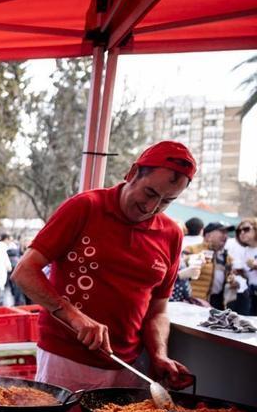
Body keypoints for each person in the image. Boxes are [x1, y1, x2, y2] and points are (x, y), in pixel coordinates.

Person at [11, 141, 197, 392]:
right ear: (132, 173)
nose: (151, 208)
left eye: (166, 201)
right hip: (66, 359)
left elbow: (158, 311)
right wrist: (74, 316)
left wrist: (159, 354)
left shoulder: (172, 234)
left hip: (130, 366)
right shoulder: (85, 207)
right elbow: (24, 272)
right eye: (150, 193)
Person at [181, 222, 242, 310]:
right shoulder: (192, 249)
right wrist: (196, 258)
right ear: (208, 235)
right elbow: (181, 265)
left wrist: (233, 281)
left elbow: (229, 277)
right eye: (222, 232)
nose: (226, 236)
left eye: (226, 233)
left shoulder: (226, 257)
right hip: (193, 302)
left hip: (217, 304)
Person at [229, 218, 257, 314]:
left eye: (246, 229)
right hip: (252, 295)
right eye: (239, 231)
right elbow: (248, 275)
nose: (242, 233)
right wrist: (237, 276)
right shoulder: (244, 251)